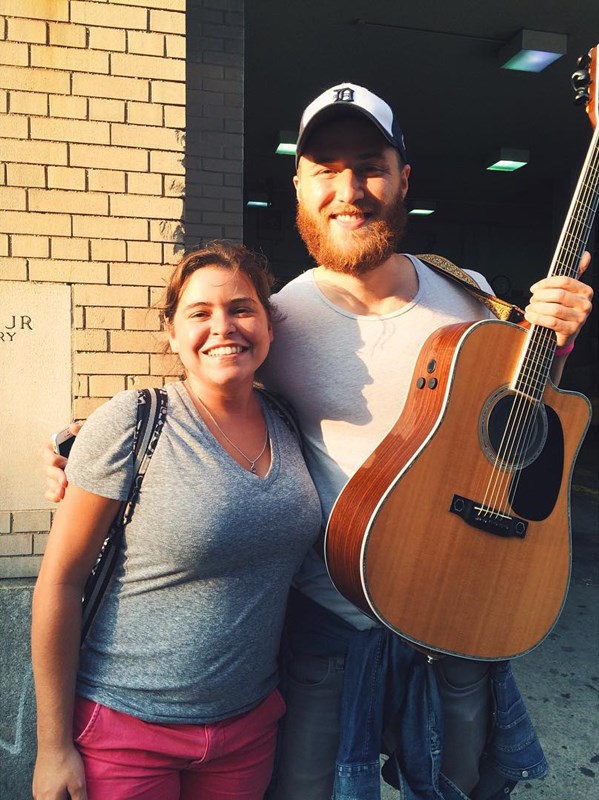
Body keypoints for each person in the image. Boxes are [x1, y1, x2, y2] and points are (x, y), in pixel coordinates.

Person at [44, 85, 594, 800]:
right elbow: (207, 390)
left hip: (457, 605)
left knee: (463, 787)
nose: (349, 190)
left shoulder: (472, 296)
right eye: (325, 171)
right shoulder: (280, 317)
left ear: (404, 179)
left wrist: (556, 342)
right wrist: (81, 444)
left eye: (368, 165)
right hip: (328, 617)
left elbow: (520, 420)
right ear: (299, 187)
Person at [32, 242, 322, 800]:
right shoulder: (135, 421)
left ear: (267, 322)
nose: (224, 327)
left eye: (242, 309)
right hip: (125, 729)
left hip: (247, 729)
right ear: (171, 332)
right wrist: (52, 747)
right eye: (200, 313)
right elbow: (60, 583)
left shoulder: (289, 420)